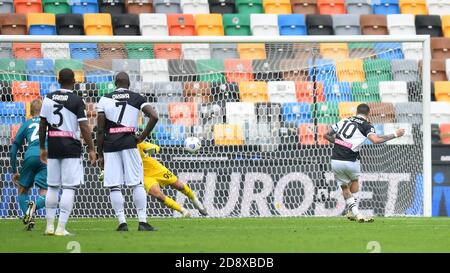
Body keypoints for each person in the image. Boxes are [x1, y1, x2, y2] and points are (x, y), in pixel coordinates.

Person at [96, 72, 159, 232]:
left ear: (115, 83)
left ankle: (122, 222)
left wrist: (100, 154)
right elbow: (154, 116)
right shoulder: (136, 97)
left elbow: (100, 130)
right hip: (129, 143)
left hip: (110, 145)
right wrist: (142, 137)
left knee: (114, 185)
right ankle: (142, 222)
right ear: (128, 83)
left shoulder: (104, 99)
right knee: (137, 183)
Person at [324, 103, 405, 223]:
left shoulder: (344, 120)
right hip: (351, 160)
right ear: (368, 114)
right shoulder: (367, 125)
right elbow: (376, 140)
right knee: (355, 183)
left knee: (345, 188)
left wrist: (341, 143)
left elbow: (326, 135)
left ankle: (352, 211)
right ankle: (357, 214)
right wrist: (395, 134)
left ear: (357, 112)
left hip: (336, 160)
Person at [39, 68, 96, 236]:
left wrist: (42, 147)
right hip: (71, 145)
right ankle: (61, 228)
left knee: (52, 186)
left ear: (58, 80)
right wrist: (91, 149)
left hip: (54, 144)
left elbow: (43, 125)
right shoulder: (77, 100)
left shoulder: (48, 98)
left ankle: (49, 227)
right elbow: (84, 126)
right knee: (69, 187)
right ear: (74, 81)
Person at [137, 141, 207, 217]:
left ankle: (196, 202)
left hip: (156, 169)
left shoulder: (138, 143)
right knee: (157, 195)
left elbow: (156, 147)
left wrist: (150, 151)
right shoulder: (123, 150)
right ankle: (183, 211)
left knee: (179, 186)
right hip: (144, 176)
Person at [10, 99, 47, 231]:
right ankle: (35, 207)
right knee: (46, 192)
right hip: (46, 157)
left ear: (30, 112)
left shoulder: (27, 124)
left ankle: (29, 217)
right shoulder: (49, 123)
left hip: (30, 157)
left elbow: (14, 148)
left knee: (22, 190)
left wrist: (14, 170)